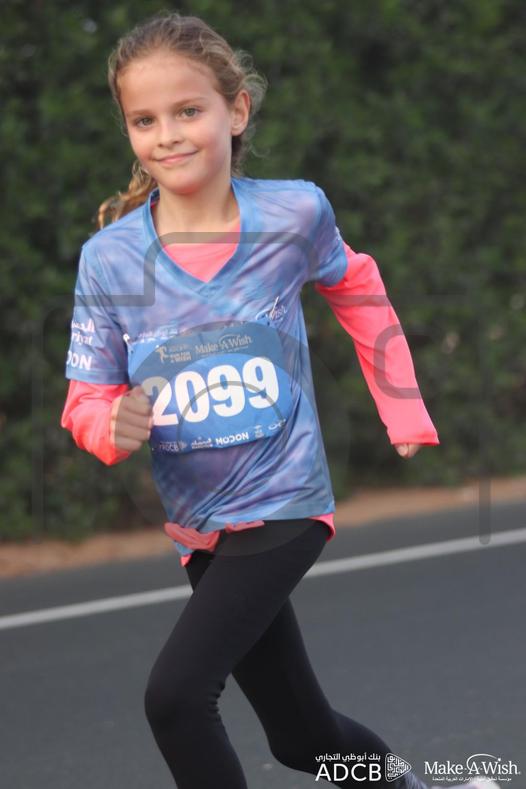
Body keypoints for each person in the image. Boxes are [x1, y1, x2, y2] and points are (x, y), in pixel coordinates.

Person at [60, 11, 498, 789]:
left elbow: (357, 287)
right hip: (200, 523)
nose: (167, 135)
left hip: (286, 498)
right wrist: (108, 423)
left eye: (187, 110)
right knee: (302, 735)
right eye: (144, 119)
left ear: (235, 110)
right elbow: (87, 395)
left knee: (176, 698)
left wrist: (403, 405)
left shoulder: (293, 215)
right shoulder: (111, 259)